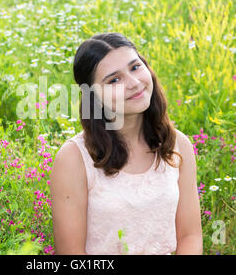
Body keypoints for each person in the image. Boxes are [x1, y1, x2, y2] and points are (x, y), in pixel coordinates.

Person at [50, 32, 203, 255]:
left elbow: (190, 236)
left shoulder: (178, 145)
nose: (133, 83)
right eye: (114, 80)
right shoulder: (74, 158)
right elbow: (71, 254)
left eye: (135, 67)